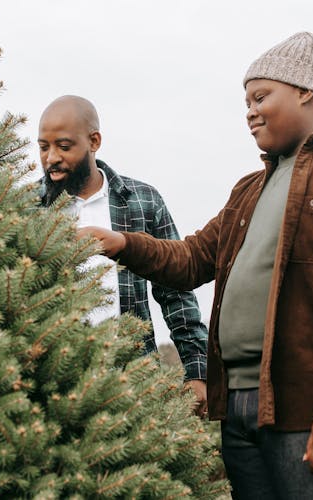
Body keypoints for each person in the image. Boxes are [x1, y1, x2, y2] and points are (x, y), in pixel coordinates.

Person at [80, 32, 313, 499]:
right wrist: (122, 243)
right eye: (246, 101)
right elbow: (193, 258)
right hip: (238, 407)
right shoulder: (249, 190)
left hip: (309, 408)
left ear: (304, 91)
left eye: (261, 97)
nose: (250, 111)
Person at [37, 95, 208, 415]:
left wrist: (197, 369)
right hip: (54, 386)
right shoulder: (29, 208)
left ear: (94, 141)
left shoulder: (142, 201)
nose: (51, 158)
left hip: (135, 381)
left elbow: (176, 291)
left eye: (63, 146)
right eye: (43, 147)